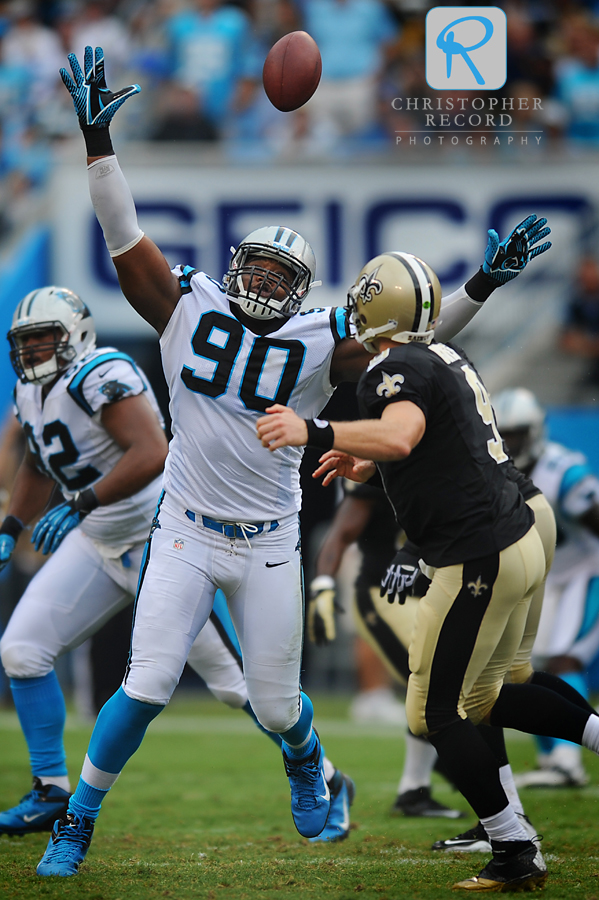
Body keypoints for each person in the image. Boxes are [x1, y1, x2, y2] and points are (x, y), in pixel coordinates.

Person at [35, 45, 550, 877]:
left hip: (271, 535)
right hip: (185, 529)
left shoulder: (320, 340)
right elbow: (121, 232)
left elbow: (411, 339)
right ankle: (77, 819)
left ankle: (307, 759)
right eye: (258, 268)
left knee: (277, 707)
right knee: (148, 681)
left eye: (284, 275)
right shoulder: (184, 306)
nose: (267, 283)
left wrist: (482, 283)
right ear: (235, 266)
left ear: (305, 286)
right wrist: (98, 141)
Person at [257, 250, 599, 891]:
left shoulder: (395, 368)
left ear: (376, 306)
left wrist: (316, 431)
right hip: (514, 536)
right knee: (484, 700)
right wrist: (367, 459)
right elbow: (422, 443)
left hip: (478, 554)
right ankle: (540, 804)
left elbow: (403, 436)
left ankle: (514, 846)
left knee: (433, 714)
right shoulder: (442, 356)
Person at [310, 479, 465, 819]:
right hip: (383, 594)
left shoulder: (443, 461)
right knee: (431, 680)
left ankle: (420, 785)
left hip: (434, 591)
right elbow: (341, 531)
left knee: (446, 683)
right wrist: (322, 585)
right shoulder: (378, 469)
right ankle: (426, 782)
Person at [493, 386, 599, 788]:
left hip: (584, 572)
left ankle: (569, 760)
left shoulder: (564, 471)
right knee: (525, 670)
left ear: (535, 430)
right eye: (504, 433)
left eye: (517, 432)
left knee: (566, 659)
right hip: (541, 577)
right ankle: (553, 758)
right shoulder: (494, 470)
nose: (510, 441)